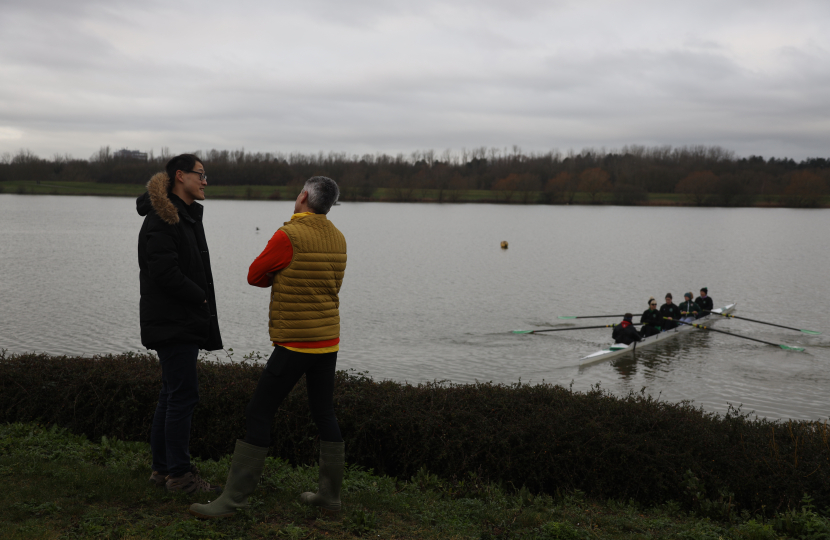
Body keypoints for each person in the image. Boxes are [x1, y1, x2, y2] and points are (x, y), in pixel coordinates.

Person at [190, 176, 347, 519]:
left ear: (304, 196)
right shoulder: (338, 237)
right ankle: (330, 496)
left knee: (258, 412)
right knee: (324, 413)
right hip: (327, 340)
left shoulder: (288, 235)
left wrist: (284, 273)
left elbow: (255, 275)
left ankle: (233, 501)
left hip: (295, 342)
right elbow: (332, 282)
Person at [137, 154, 223, 494]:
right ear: (179, 176)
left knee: (172, 394)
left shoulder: (180, 215)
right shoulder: (164, 218)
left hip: (177, 318)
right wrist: (199, 295)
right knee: (183, 395)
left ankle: (162, 470)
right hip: (174, 321)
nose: (205, 181)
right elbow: (164, 271)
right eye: (200, 175)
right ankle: (181, 477)